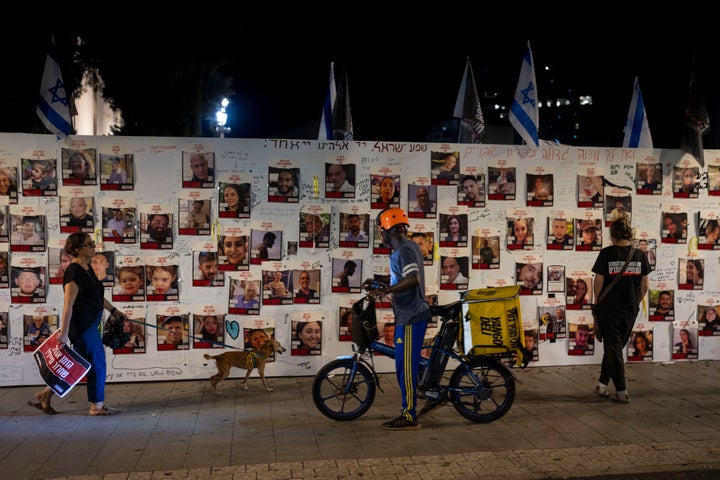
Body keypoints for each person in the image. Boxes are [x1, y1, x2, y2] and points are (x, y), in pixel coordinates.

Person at [31, 232, 123, 416]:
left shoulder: (87, 268)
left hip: (91, 322)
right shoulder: (73, 272)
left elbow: (95, 296)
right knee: (97, 362)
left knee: (77, 366)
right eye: (89, 244)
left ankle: (45, 394)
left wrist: (113, 310)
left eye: (92, 243)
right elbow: (68, 305)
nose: (93, 246)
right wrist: (64, 334)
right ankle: (96, 406)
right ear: (77, 249)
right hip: (82, 326)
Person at [368, 208, 431, 429]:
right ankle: (427, 393)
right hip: (411, 313)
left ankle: (409, 415)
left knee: (405, 367)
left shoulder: (403, 249)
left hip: (411, 315)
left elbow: (412, 279)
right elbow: (403, 275)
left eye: (381, 232)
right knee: (409, 363)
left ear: (386, 230)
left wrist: (384, 291)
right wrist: (381, 282)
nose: (382, 236)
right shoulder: (408, 247)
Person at [592, 217, 651, 404]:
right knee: (615, 348)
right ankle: (602, 385)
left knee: (613, 349)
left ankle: (621, 391)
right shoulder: (640, 255)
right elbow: (645, 286)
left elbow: (599, 281)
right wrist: (635, 302)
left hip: (608, 309)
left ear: (612, 235)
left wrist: (596, 301)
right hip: (630, 310)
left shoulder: (606, 253)